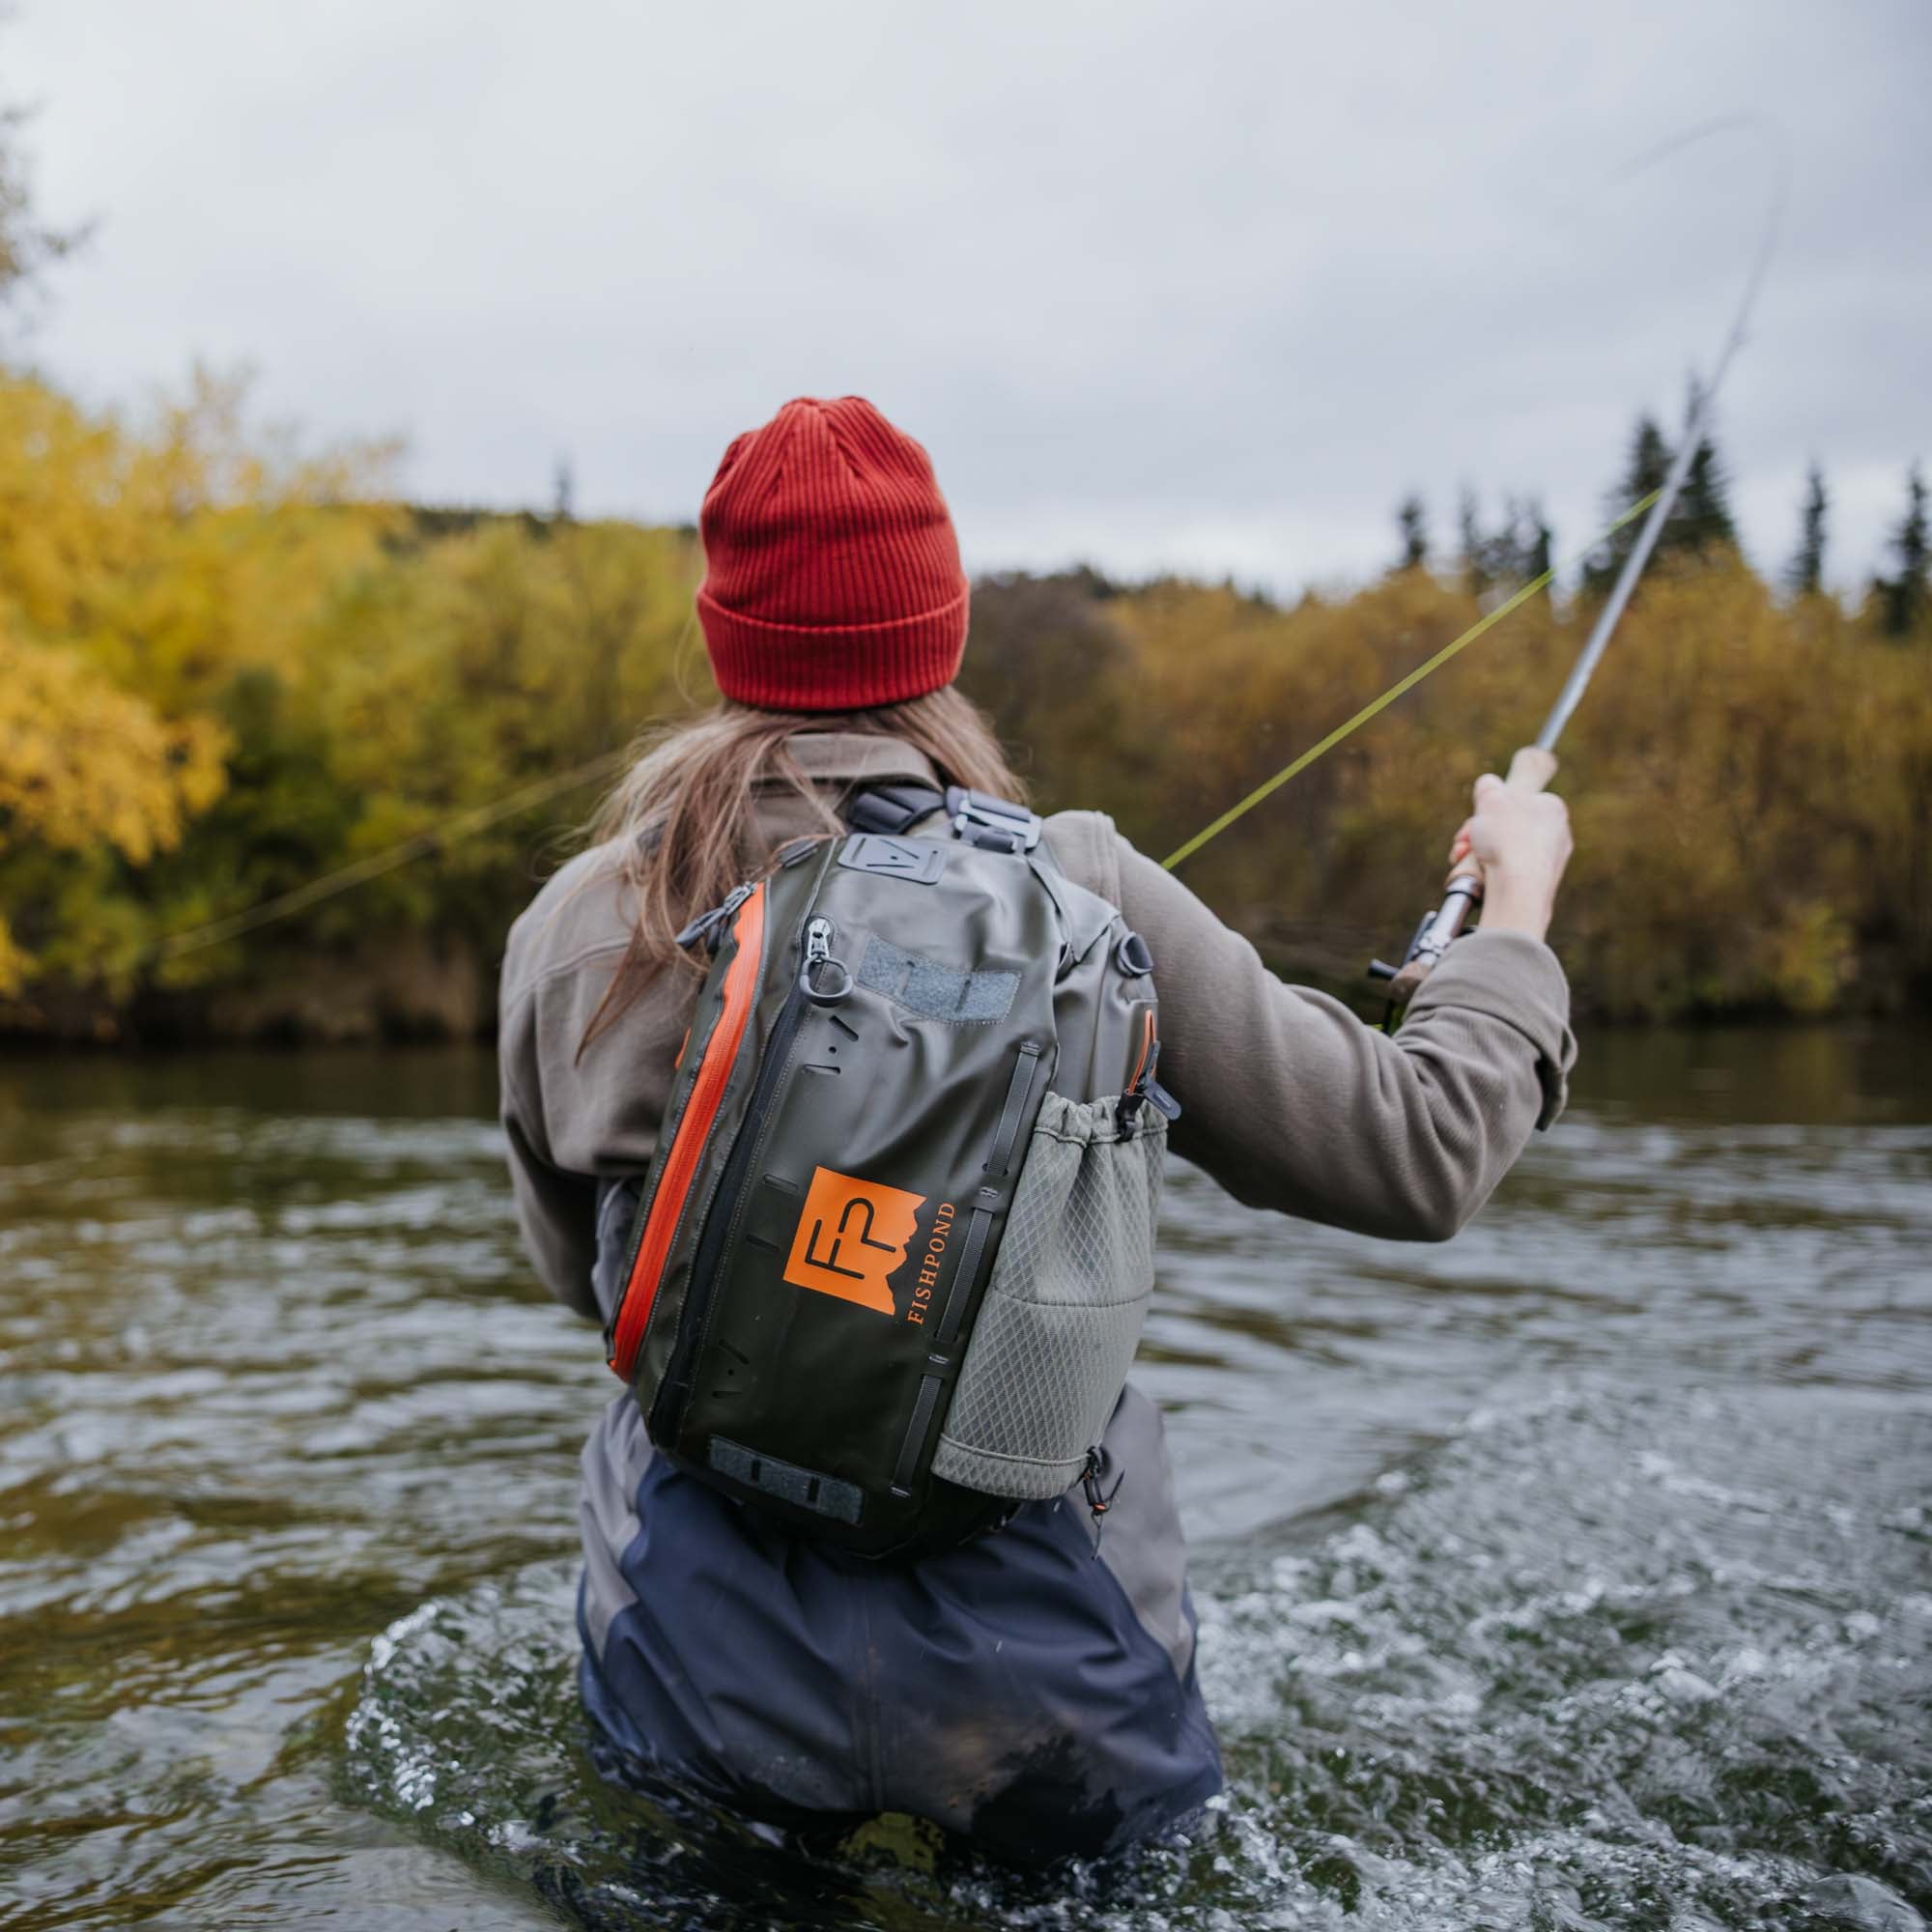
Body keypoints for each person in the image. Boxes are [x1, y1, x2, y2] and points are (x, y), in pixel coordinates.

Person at [498, 395, 1577, 1866]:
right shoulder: (1085, 891)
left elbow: (590, 1285)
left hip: (704, 1645)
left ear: (727, 641)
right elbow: (1422, 1148)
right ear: (937, 635)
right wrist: (1512, 905)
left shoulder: (584, 928)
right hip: (1035, 1663)